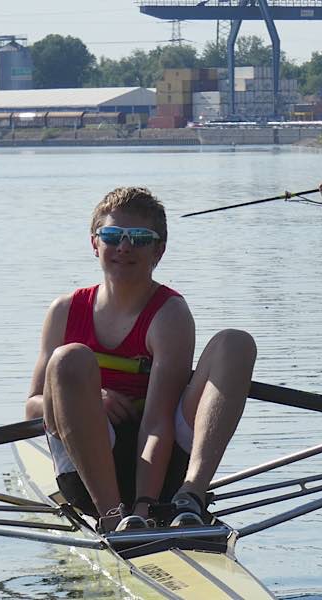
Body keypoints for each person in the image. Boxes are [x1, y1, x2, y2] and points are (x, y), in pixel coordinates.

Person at [24, 186, 256, 532]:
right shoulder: (64, 311)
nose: (125, 247)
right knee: (69, 359)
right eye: (113, 235)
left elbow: (158, 421)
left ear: (158, 251)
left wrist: (146, 505)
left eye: (140, 238)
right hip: (88, 463)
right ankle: (111, 517)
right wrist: (93, 399)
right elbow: (32, 406)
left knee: (235, 344)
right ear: (94, 244)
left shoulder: (169, 314)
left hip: (161, 467)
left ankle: (191, 494)